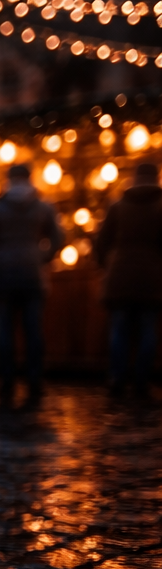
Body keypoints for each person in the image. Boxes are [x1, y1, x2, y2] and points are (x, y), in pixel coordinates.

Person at [0, 163, 63, 404]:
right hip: (32, 274)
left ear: (9, 180)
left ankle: (7, 382)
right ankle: (34, 381)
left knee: (4, 331)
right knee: (33, 330)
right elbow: (58, 237)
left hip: (3, 273)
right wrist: (42, 256)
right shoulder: (43, 207)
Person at [94, 161, 162, 397]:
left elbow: (101, 243)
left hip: (120, 276)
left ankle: (117, 377)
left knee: (119, 329)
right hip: (152, 277)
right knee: (147, 329)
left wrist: (108, 265)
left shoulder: (117, 206)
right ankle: (142, 380)